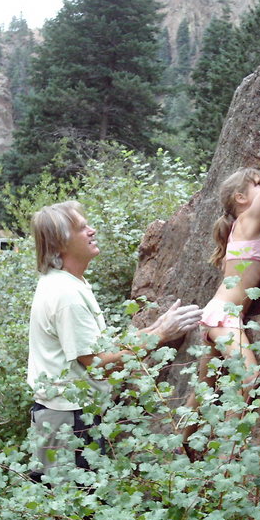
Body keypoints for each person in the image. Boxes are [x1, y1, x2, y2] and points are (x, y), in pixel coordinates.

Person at [28, 200, 203, 475]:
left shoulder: (69, 283)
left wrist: (153, 329)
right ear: (61, 242)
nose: (92, 230)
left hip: (70, 414)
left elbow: (98, 348)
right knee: (71, 506)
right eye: (81, 227)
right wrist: (160, 335)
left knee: (72, 503)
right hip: (68, 419)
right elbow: (97, 363)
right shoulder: (66, 295)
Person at [182, 88, 260, 453]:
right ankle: (229, 456)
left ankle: (181, 450)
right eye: (256, 187)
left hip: (218, 315)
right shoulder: (250, 219)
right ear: (241, 199)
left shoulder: (239, 228)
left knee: (201, 393)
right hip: (224, 318)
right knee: (251, 379)